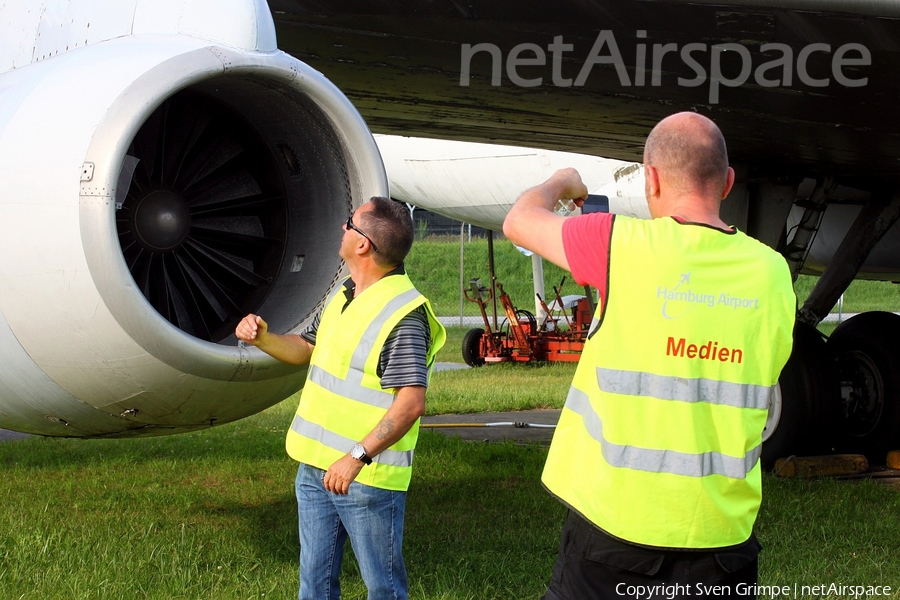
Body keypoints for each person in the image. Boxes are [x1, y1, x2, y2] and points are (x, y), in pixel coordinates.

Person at [503, 112, 795, 599]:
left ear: (650, 179)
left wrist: (561, 181)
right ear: (727, 182)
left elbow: (520, 220)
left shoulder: (617, 244)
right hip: (722, 541)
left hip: (614, 535)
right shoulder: (772, 274)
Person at [235, 196, 446, 600]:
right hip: (315, 468)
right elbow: (306, 348)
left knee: (383, 590)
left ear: (363, 243)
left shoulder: (404, 314)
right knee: (314, 586)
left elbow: (411, 403)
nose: (342, 228)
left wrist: (355, 458)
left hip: (366, 477)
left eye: (349, 223)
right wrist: (262, 338)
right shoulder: (344, 293)